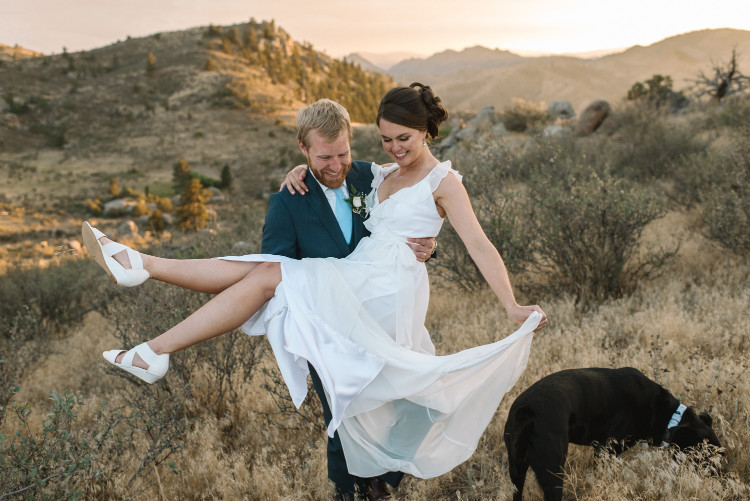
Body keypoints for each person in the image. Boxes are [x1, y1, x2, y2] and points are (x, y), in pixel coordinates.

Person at [83, 83, 547, 492]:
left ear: (427, 130)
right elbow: (343, 180)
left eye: (403, 138)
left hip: (386, 287)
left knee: (268, 276)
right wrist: (297, 169)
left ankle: (144, 280)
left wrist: (509, 304)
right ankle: (146, 305)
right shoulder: (377, 174)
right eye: (385, 139)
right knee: (265, 273)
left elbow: (479, 244)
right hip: (360, 280)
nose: (394, 148)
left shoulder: (443, 181)